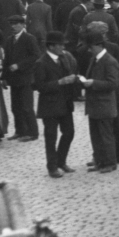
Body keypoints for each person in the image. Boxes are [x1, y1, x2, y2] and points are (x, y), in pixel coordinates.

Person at [33, 31, 79, 179]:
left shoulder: (64, 58)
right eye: (59, 45)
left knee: (69, 133)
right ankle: (52, 167)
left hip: (65, 103)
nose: (62, 47)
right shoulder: (41, 63)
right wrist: (60, 82)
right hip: (50, 106)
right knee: (51, 137)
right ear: (51, 46)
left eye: (62, 45)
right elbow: (40, 86)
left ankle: (61, 160)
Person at [82, 30, 119, 173]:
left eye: (90, 47)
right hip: (94, 105)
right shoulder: (95, 59)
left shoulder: (110, 61)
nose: (88, 50)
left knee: (106, 136)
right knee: (95, 135)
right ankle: (99, 161)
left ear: (98, 46)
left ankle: (110, 163)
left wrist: (93, 83)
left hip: (104, 105)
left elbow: (113, 84)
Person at [3, 14, 40, 142]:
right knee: (15, 107)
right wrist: (4, 77)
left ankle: (33, 132)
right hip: (14, 79)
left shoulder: (29, 38)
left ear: (23, 25)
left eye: (16, 24)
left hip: (25, 77)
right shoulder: (9, 40)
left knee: (26, 106)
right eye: (11, 24)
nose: (13, 27)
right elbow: (6, 60)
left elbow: (35, 56)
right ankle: (20, 131)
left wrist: (19, 65)